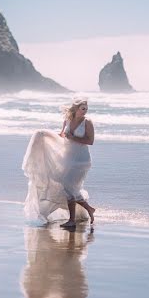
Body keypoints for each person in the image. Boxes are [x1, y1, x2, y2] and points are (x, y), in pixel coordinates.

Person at [22, 96, 96, 229]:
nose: (85, 111)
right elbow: (62, 136)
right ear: (76, 108)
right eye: (83, 108)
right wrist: (44, 136)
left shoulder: (87, 122)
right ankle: (88, 209)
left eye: (86, 109)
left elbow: (90, 141)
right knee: (69, 188)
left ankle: (73, 219)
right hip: (67, 157)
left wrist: (73, 138)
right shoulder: (67, 119)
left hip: (81, 159)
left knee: (69, 187)